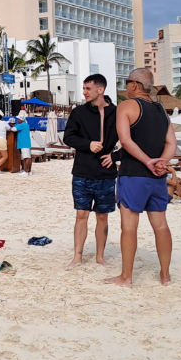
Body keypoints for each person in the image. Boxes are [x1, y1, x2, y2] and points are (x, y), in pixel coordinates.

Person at [107, 69, 175, 286]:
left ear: (135, 85)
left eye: (126, 83)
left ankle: (126, 276)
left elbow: (125, 141)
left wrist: (147, 161)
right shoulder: (161, 110)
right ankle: (165, 275)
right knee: (161, 225)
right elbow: (171, 143)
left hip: (134, 174)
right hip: (157, 178)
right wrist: (161, 162)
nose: (125, 87)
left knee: (129, 226)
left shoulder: (127, 106)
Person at [63, 73, 118, 268]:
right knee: (81, 215)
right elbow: (68, 137)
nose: (84, 92)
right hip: (82, 172)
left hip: (106, 174)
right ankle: (77, 256)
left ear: (100, 90)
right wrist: (88, 144)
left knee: (103, 216)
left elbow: (129, 140)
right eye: (84, 88)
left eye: (88, 89)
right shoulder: (78, 113)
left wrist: (115, 156)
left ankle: (100, 256)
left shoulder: (116, 113)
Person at [14, 110, 34, 175]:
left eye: (18, 119)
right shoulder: (26, 125)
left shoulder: (21, 125)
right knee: (28, 157)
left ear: (21, 120)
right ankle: (29, 171)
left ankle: (25, 171)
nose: (17, 120)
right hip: (27, 143)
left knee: (26, 158)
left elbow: (13, 129)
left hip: (23, 144)